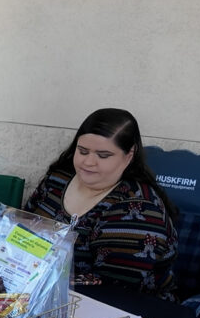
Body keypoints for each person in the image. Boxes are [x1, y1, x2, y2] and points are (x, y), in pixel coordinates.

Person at [23, 108, 179, 299]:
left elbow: (114, 290)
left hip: (119, 311)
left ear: (129, 155)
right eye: (82, 151)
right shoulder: (58, 180)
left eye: (103, 155)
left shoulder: (138, 208)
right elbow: (23, 227)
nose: (88, 162)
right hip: (37, 290)